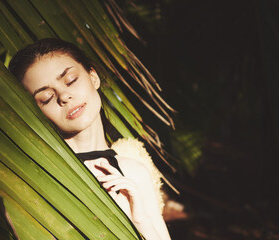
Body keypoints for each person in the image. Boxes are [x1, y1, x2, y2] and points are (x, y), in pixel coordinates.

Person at [9, 38, 171, 240]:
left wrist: (141, 221)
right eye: (46, 98)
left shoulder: (135, 172)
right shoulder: (42, 175)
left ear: (93, 77)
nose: (64, 96)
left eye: (70, 80)